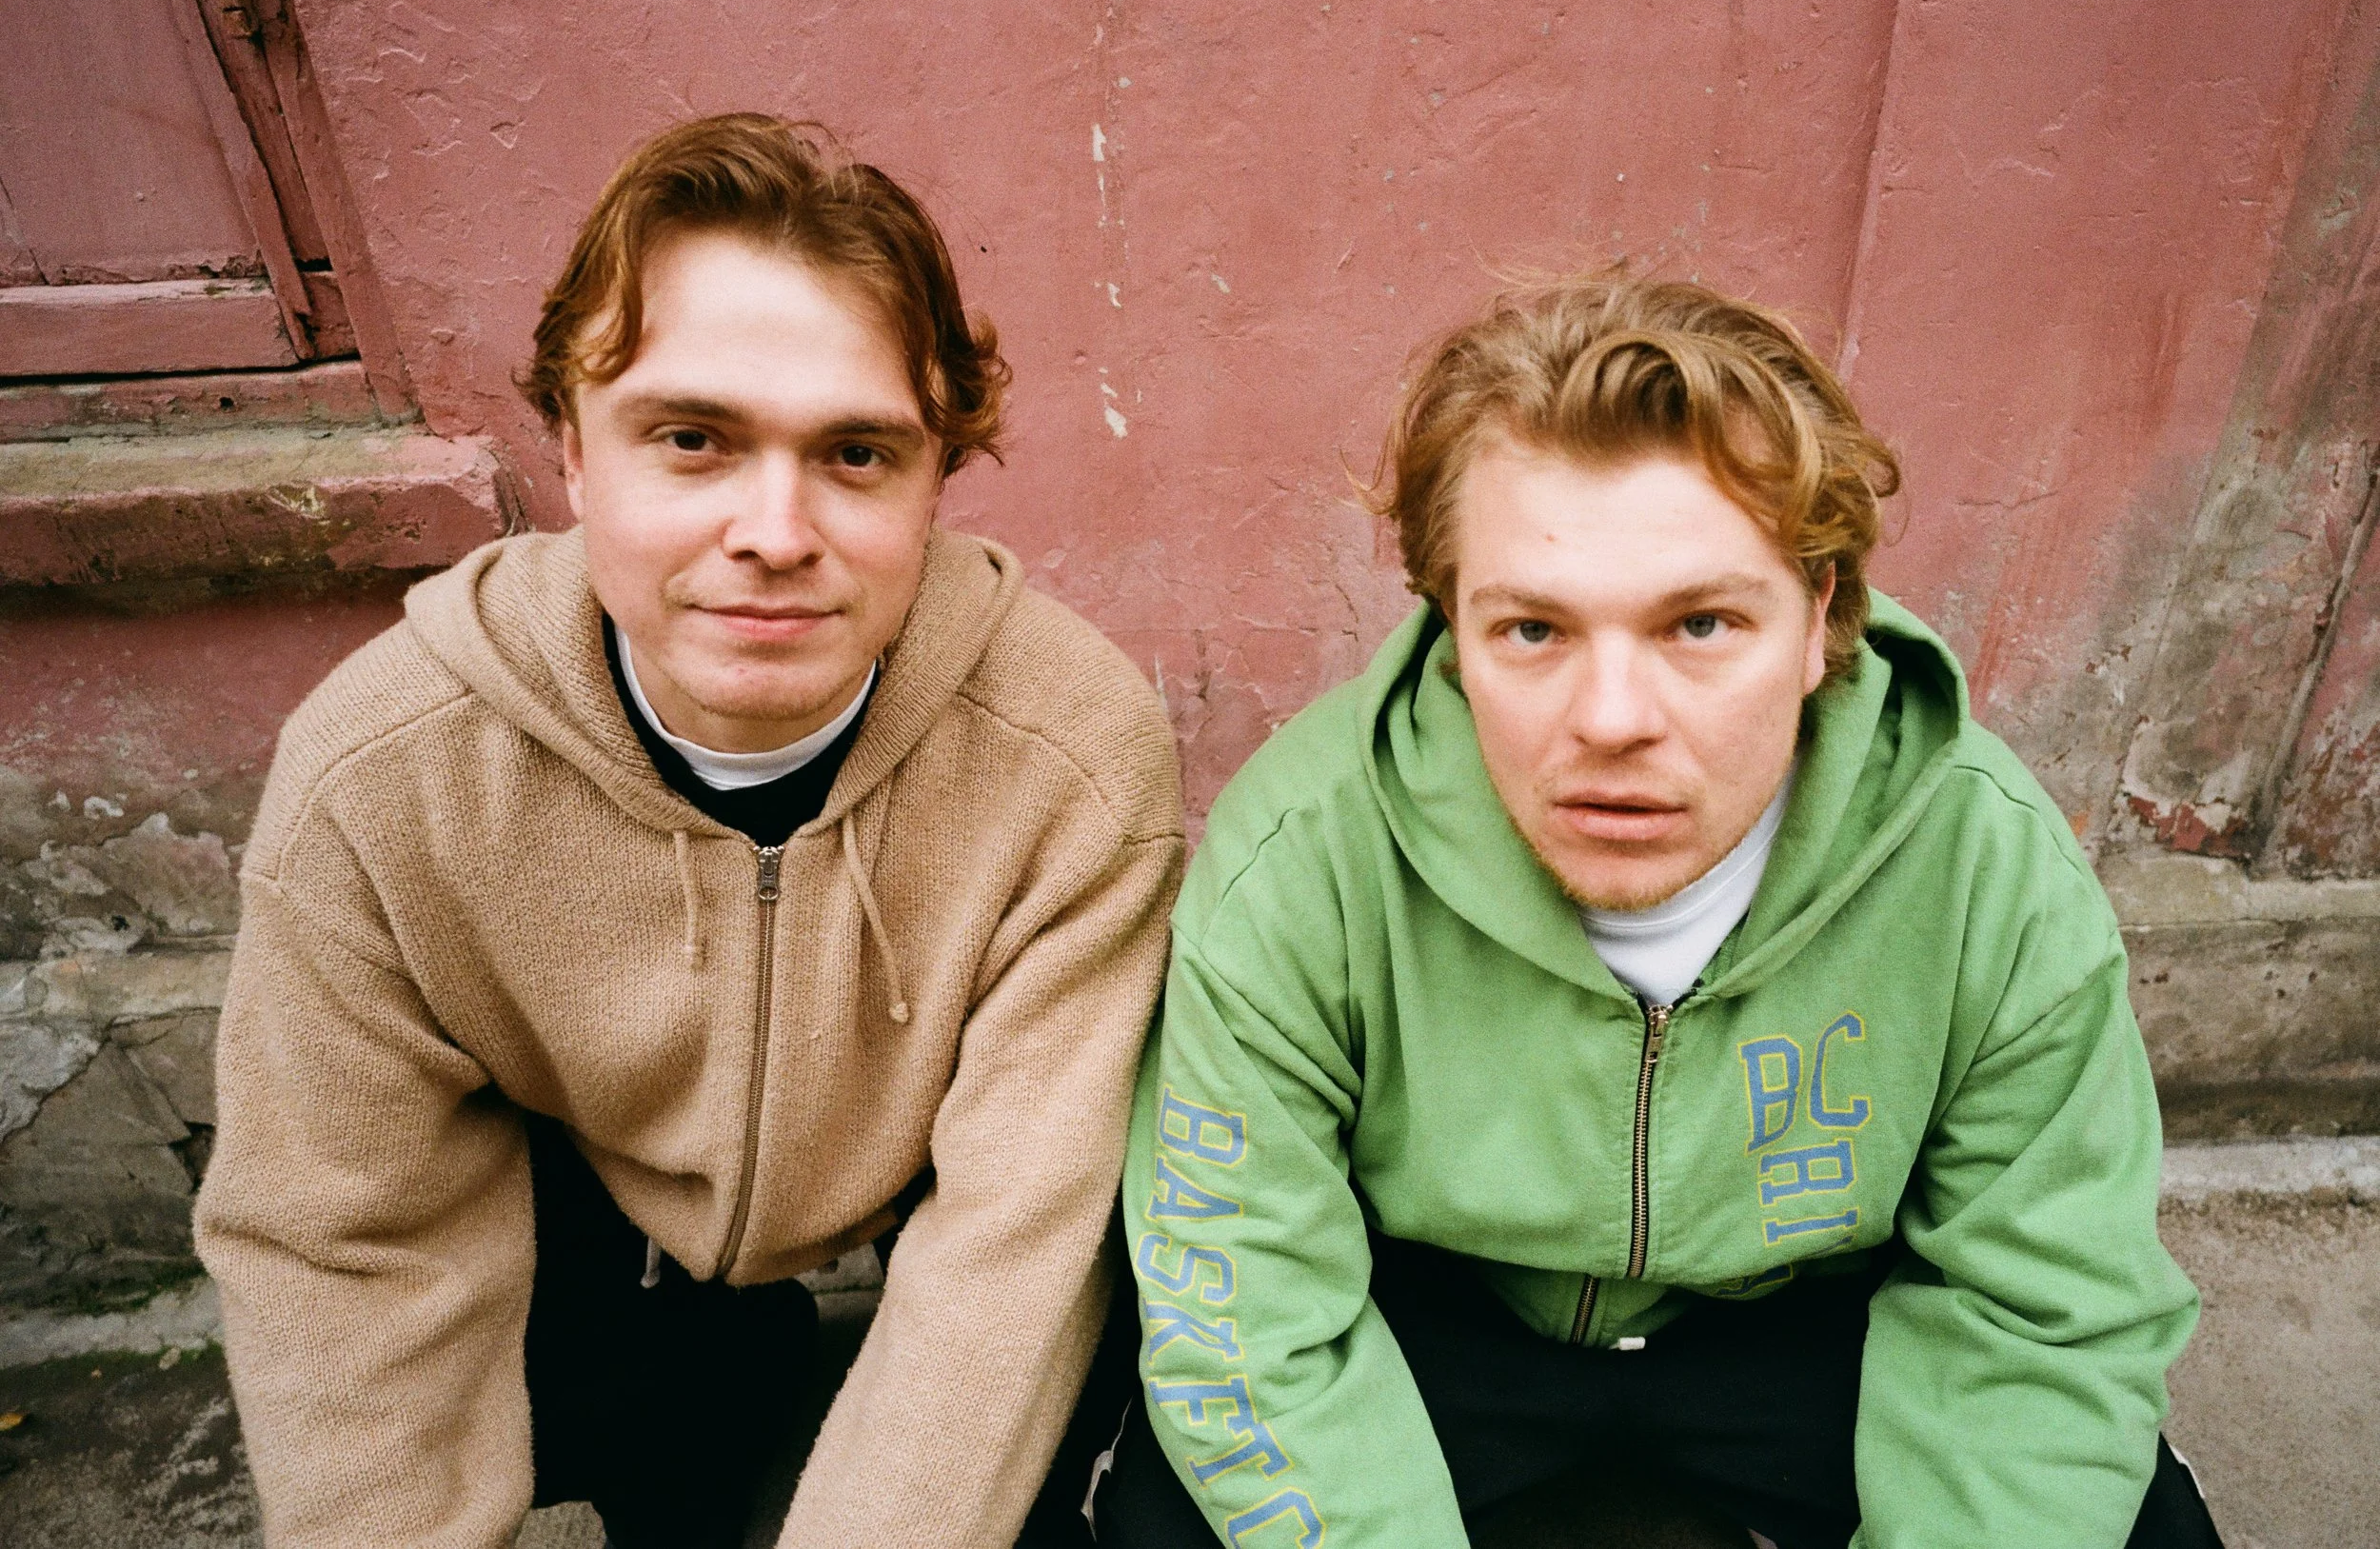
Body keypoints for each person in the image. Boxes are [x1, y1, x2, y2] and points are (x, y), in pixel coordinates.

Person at [1085, 275, 2223, 1547]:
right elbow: (1243, 1306)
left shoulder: (1984, 863)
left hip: (1804, 1316)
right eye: (1532, 629)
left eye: (1700, 623)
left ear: (1821, 620)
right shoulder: (1301, 861)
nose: (1613, 716)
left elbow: (2044, 1307)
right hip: (1431, 1314)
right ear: (1453, 631)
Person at [195, 113, 1184, 1548]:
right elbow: (345, 1251)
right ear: (575, 454)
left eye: (855, 453)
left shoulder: (1069, 752)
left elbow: (1016, 1248)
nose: (774, 529)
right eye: (692, 439)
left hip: (916, 1193)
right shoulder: (382, 774)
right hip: (584, 1228)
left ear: (937, 481)